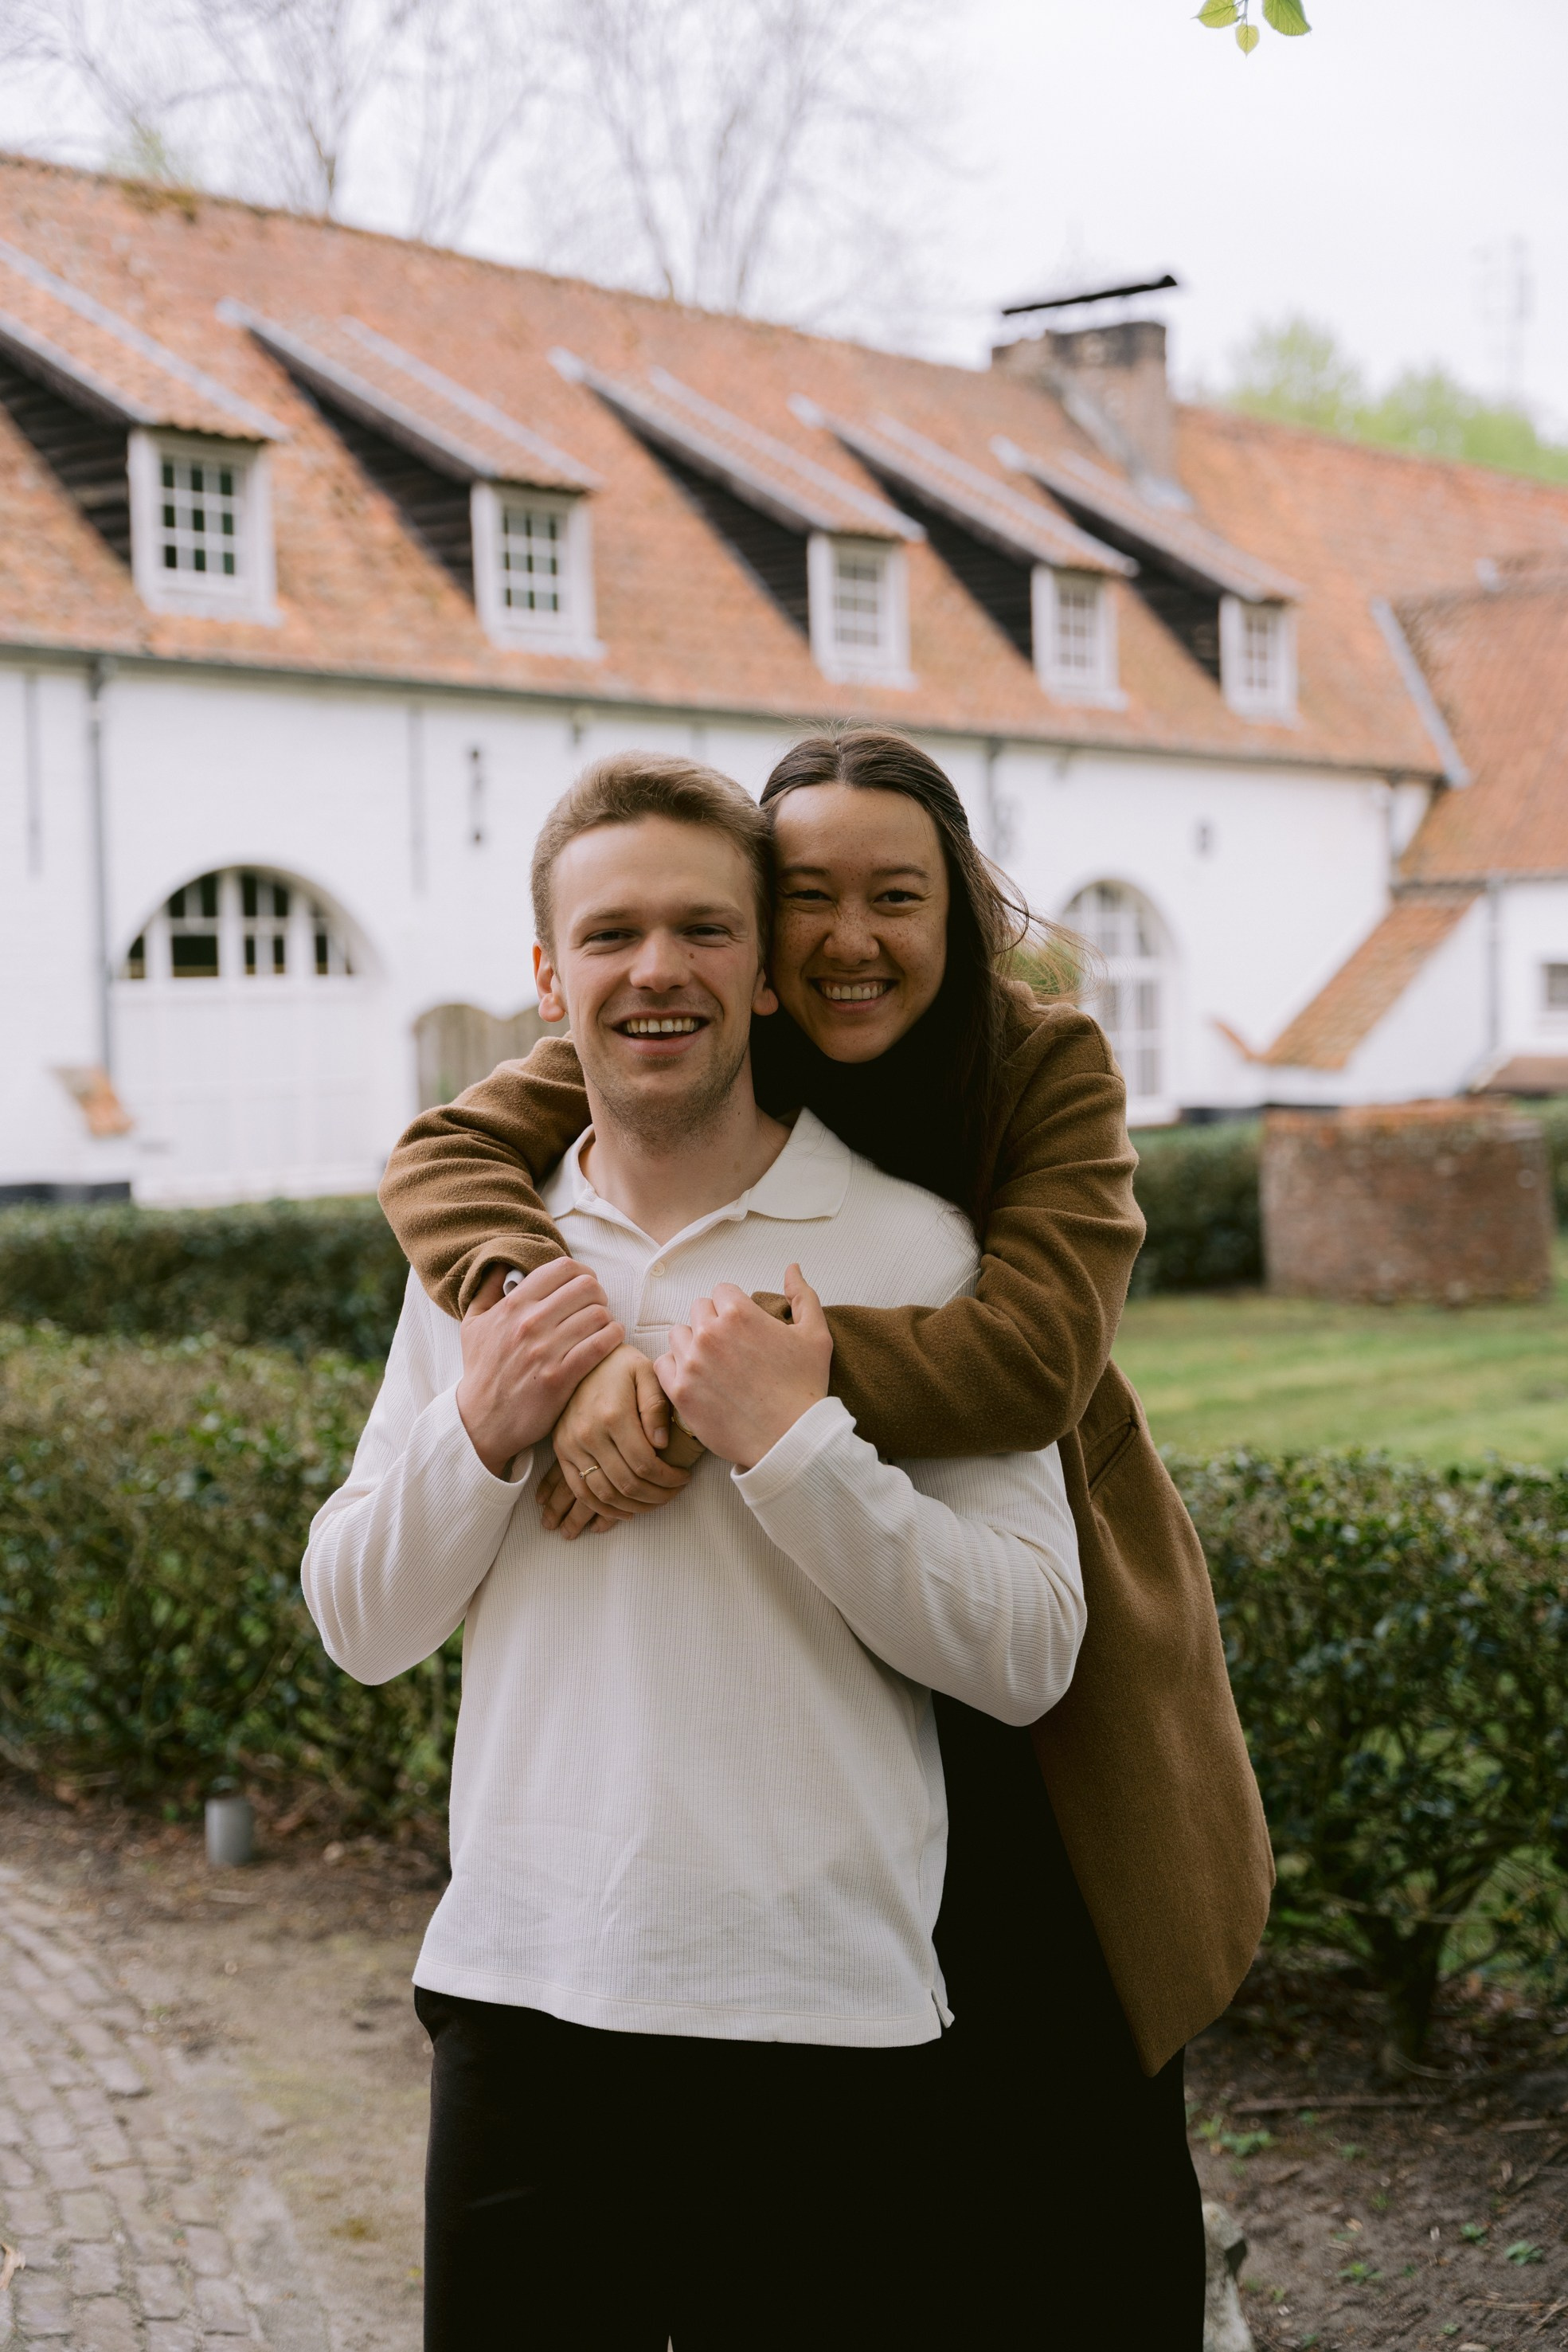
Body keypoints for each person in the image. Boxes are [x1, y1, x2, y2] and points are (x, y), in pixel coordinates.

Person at [380, 728, 1274, 2344]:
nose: (850, 935)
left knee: (1077, 2154)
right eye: (805, 895)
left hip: (1030, 1705)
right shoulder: (705, 1027)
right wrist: (549, 1337)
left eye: (897, 893)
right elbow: (445, 1155)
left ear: (960, 912)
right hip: (787, 1723)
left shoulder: (1037, 1067)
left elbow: (1028, 1360)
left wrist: (712, 1377)